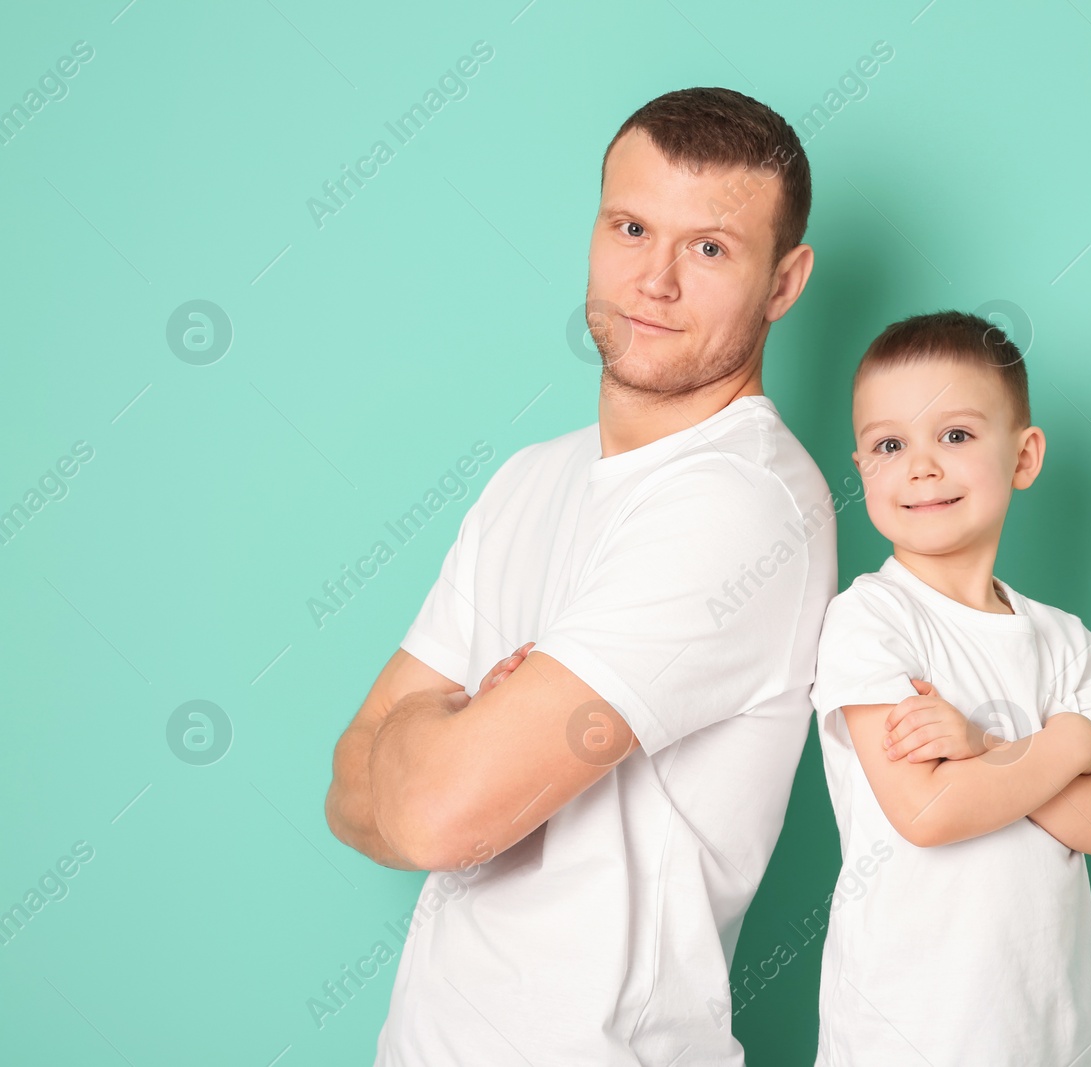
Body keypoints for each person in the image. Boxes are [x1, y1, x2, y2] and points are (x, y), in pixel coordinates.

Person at [322, 87, 838, 1066]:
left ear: (784, 281)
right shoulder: (531, 479)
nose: (655, 280)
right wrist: (454, 746)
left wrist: (443, 738)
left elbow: (435, 814)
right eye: (631, 227)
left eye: (710, 248)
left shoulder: (744, 507)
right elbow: (346, 787)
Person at [808, 310, 1091, 1066]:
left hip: (1043, 1038)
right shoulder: (871, 619)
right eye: (891, 444)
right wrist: (1070, 740)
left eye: (954, 435)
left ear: (1024, 456)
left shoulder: (1068, 643)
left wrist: (981, 747)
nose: (921, 466)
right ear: (862, 467)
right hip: (903, 1036)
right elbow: (928, 808)